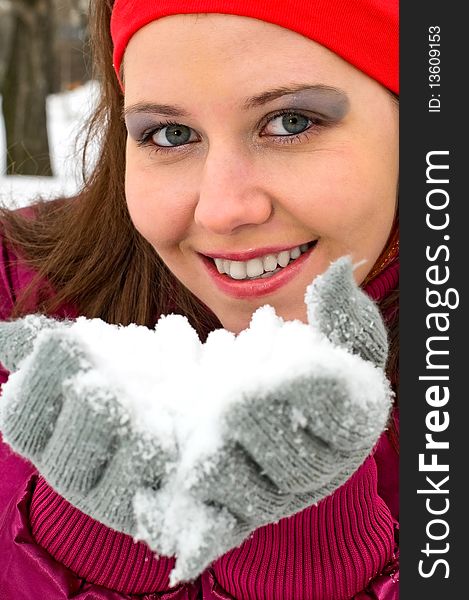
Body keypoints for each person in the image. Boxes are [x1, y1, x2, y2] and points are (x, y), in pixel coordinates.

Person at [0, 0, 399, 598]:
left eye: (291, 122)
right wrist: (96, 543)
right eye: (171, 134)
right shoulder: (18, 287)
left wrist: (311, 550)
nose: (221, 210)